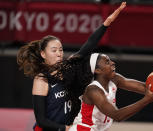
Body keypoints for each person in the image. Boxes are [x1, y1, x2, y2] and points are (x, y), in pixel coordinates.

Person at [17, 2, 127, 131]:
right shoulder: (41, 80)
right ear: (43, 54)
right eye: (54, 50)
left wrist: (106, 23)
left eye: (61, 49)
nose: (59, 53)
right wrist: (66, 128)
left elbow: (88, 46)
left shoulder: (68, 67)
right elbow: (41, 121)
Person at [68, 53, 153, 131]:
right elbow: (117, 116)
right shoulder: (93, 90)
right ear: (98, 70)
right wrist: (147, 100)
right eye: (107, 62)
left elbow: (144, 88)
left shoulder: (115, 79)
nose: (113, 63)